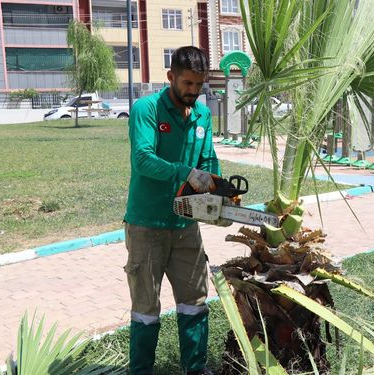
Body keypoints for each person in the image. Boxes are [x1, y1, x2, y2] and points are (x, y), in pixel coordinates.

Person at [123, 46, 219, 375]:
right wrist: (185, 172)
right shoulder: (146, 109)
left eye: (199, 84)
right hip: (146, 224)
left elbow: (207, 160)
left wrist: (217, 189)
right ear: (171, 77)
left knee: (195, 301)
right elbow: (143, 160)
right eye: (187, 83)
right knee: (146, 308)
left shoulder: (203, 116)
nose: (193, 91)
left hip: (185, 224)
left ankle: (195, 368)